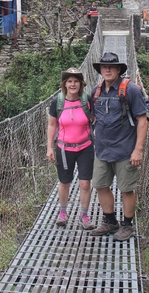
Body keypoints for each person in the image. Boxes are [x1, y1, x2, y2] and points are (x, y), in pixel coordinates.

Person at [89, 52, 149, 241]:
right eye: (104, 67)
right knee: (99, 184)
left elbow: (142, 120)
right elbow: (90, 116)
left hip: (125, 150)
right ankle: (110, 221)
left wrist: (138, 149)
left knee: (126, 189)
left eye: (111, 67)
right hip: (102, 149)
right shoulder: (96, 91)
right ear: (100, 70)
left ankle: (127, 225)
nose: (107, 70)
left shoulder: (130, 90)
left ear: (118, 70)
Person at [46, 67, 95, 230]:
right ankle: (63, 212)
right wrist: (49, 147)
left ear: (81, 84)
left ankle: (84, 215)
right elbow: (52, 124)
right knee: (64, 182)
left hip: (85, 147)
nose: (73, 84)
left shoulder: (87, 100)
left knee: (85, 183)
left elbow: (96, 119)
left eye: (76, 81)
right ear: (65, 84)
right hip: (64, 149)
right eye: (69, 81)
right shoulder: (57, 102)